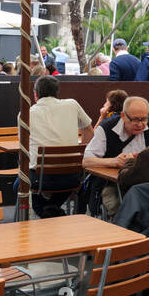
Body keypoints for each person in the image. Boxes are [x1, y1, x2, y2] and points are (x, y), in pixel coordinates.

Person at [23, 74, 95, 216]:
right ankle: (55, 212)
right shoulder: (72, 104)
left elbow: (24, 147)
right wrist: (80, 153)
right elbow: (89, 131)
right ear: (57, 92)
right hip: (73, 176)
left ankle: (51, 213)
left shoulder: (26, 113)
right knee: (51, 195)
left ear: (35, 94)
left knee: (18, 186)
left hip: (40, 179)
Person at [83, 95, 149, 216]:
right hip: (112, 184)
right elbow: (86, 161)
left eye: (144, 119)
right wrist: (114, 161)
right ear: (123, 116)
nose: (140, 124)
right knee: (121, 208)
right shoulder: (106, 129)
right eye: (135, 119)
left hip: (146, 183)